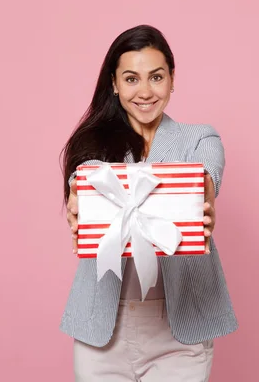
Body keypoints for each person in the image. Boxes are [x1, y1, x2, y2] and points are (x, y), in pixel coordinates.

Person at [60, 24, 238, 382]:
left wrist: (203, 193)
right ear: (114, 84)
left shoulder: (199, 137)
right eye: (131, 79)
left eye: (156, 77)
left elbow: (207, 172)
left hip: (179, 330)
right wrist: (78, 187)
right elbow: (87, 171)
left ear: (172, 79)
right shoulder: (93, 143)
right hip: (103, 328)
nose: (145, 91)